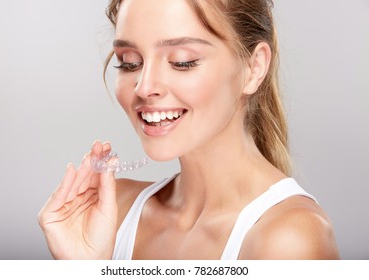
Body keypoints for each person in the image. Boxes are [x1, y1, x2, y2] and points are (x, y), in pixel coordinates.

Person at [38, 0, 340, 259]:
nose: (144, 87)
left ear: (254, 68)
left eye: (183, 62)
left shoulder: (288, 240)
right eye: (129, 63)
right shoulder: (112, 213)